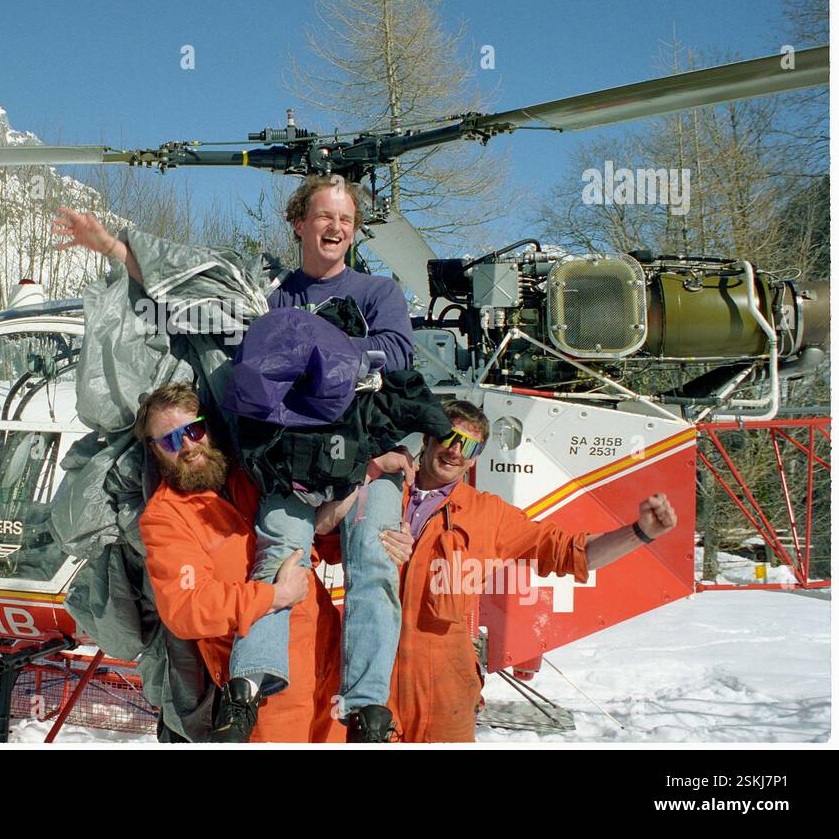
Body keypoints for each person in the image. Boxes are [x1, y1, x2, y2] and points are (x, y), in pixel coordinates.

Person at [54, 175, 418, 743]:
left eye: (346, 220)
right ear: (299, 224)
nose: (337, 228)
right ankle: (251, 682)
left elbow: (397, 350)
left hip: (366, 452)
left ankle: (369, 702)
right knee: (277, 552)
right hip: (292, 465)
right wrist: (114, 249)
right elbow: (194, 292)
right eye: (324, 217)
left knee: (374, 562)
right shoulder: (268, 297)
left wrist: (324, 349)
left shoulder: (377, 292)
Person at [341, 398, 679, 742]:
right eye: (449, 437)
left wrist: (640, 532)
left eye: (470, 446)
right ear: (427, 439)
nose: (456, 451)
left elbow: (570, 553)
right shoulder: (379, 490)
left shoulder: (490, 515)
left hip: (444, 697)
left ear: (475, 458)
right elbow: (322, 538)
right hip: (366, 690)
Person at [133, 382, 345, 743]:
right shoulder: (166, 517)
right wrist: (272, 596)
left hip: (330, 661)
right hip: (265, 688)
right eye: (170, 441)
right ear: (155, 452)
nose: (187, 446)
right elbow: (188, 608)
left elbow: (322, 545)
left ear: (207, 427)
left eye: (193, 430)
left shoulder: (252, 472)